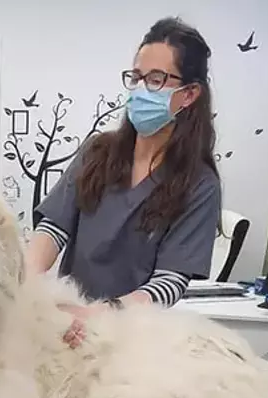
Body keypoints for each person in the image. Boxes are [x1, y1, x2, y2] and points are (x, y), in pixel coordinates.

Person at [25, 16, 222, 347]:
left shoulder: (199, 186)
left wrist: (100, 313)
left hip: (131, 339)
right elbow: (53, 229)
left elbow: (169, 283)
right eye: (137, 77)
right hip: (65, 325)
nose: (143, 89)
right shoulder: (98, 151)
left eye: (157, 79)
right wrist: (26, 286)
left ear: (189, 94)